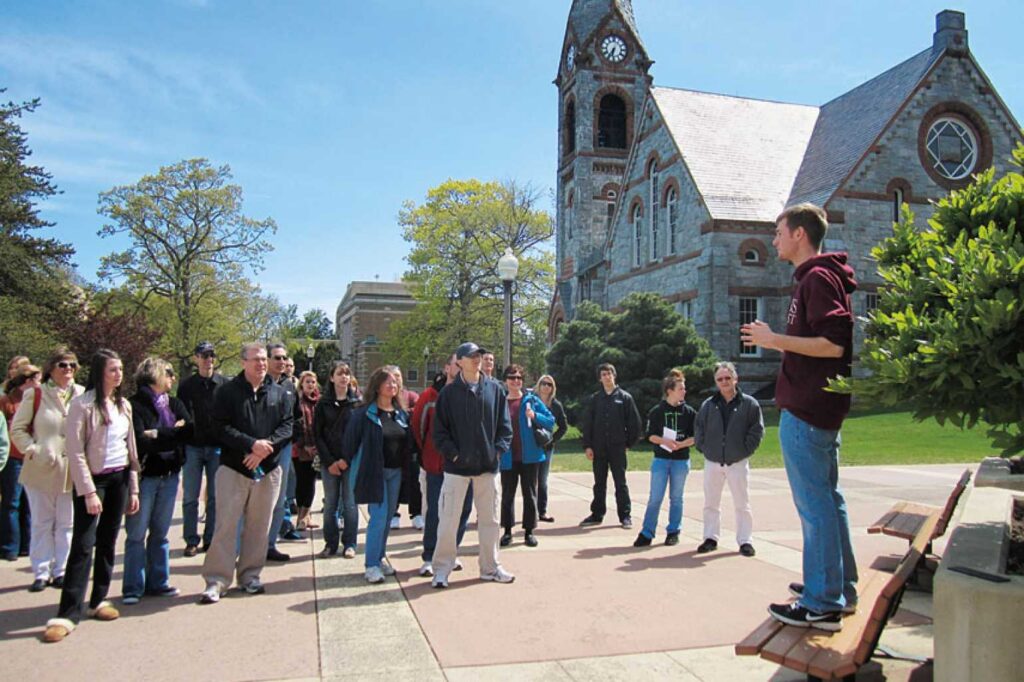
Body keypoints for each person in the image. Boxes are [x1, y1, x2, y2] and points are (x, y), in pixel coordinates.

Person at [741, 202, 858, 632]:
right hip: (815, 410)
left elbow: (833, 345)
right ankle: (838, 588)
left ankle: (823, 602)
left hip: (809, 411)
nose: (774, 240)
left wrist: (774, 341)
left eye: (778, 232)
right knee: (829, 502)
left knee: (815, 508)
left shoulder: (818, 278)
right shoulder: (815, 278)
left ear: (800, 235)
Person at [43, 349, 141, 643]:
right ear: (100, 372)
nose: (118, 374)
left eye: (121, 369)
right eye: (113, 369)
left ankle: (99, 599)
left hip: (119, 477)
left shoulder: (123, 405)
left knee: (109, 540)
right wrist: (87, 491)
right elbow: (75, 451)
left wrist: (133, 487)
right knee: (84, 544)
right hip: (93, 481)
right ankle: (68, 611)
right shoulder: (82, 405)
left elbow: (130, 448)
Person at [199, 342, 293, 604]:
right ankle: (217, 580)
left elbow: (287, 427)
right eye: (256, 360)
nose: (262, 364)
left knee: (259, 527)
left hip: (268, 469)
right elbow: (218, 427)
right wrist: (250, 445)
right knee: (226, 526)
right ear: (243, 362)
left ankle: (250, 576)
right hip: (234, 467)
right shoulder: (227, 392)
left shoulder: (280, 393)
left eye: (264, 359)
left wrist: (264, 449)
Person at [430, 342, 514, 588]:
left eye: (479, 355)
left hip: (488, 468)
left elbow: (505, 427)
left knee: (490, 520)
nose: (478, 359)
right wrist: (454, 456)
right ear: (459, 362)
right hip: (456, 470)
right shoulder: (448, 393)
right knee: (448, 520)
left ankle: (490, 567)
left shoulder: (495, 390)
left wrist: (497, 452)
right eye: (471, 356)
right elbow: (439, 433)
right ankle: (442, 569)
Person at [10, 349, 83, 592]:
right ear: (52, 367)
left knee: (66, 523)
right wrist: (33, 449)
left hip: (71, 468)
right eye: (63, 365)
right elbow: (17, 429)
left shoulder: (82, 394)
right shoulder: (37, 394)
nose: (68, 369)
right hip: (42, 467)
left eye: (72, 365)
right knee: (42, 521)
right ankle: (41, 570)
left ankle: (60, 570)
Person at [122, 357, 191, 604]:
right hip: (145, 477)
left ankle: (159, 582)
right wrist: (173, 432)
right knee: (136, 534)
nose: (173, 378)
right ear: (156, 375)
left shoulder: (174, 403)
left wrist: (159, 433)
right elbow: (140, 442)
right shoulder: (133, 405)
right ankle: (132, 587)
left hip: (170, 474)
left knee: (161, 534)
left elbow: (189, 431)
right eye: (169, 373)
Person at [341, 367, 416, 584]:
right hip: (373, 473)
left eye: (395, 383)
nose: (393, 386)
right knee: (379, 516)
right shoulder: (363, 414)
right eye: (388, 382)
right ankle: (371, 565)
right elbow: (350, 443)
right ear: (377, 386)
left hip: (396, 472)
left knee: (388, 516)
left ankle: (380, 556)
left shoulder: (401, 414)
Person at [694, 361, 765, 557]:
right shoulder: (709, 405)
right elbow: (699, 428)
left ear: (735, 379)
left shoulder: (749, 404)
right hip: (713, 461)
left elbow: (756, 431)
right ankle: (710, 537)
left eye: (728, 378)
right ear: (716, 382)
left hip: (737, 462)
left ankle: (745, 541)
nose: (724, 382)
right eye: (720, 379)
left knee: (742, 503)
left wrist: (744, 450)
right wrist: (704, 448)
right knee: (710, 503)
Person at [412, 354, 473, 577]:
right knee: (436, 512)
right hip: (437, 465)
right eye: (456, 364)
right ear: (447, 367)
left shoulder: (472, 393)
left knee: (462, 511)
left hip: (466, 466)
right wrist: (428, 455)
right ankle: (429, 556)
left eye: (463, 364)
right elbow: (418, 428)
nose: (460, 367)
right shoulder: (430, 396)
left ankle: (450, 552)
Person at [633, 373, 696, 547]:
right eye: (680, 388)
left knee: (676, 498)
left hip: (681, 461)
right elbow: (650, 436)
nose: (684, 391)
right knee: (655, 497)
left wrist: (682, 444)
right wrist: (664, 441)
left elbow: (696, 437)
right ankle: (647, 533)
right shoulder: (657, 411)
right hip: (661, 460)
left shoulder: (689, 412)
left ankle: (673, 531)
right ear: (670, 391)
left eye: (684, 388)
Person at [177, 341, 227, 557]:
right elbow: (182, 414)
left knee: (216, 497)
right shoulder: (187, 386)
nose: (208, 360)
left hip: (216, 447)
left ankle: (210, 538)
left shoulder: (224, 385)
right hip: (193, 447)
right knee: (190, 496)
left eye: (211, 355)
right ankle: (191, 539)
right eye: (204, 355)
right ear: (196, 358)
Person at [579, 363, 642, 529]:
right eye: (603, 374)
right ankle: (597, 514)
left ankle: (625, 516)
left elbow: (634, 424)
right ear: (600, 378)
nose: (607, 377)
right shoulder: (595, 399)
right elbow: (588, 424)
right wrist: (588, 446)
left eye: (609, 373)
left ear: (614, 375)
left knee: (620, 483)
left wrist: (628, 443)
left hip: (617, 448)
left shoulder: (625, 398)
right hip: (598, 448)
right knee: (599, 483)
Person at [499, 364, 555, 548]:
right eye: (512, 377)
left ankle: (529, 531)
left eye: (519, 378)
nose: (515, 381)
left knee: (530, 495)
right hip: (507, 457)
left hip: (530, 457)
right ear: (505, 380)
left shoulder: (531, 400)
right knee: (507, 496)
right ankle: (507, 531)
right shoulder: (500, 402)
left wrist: (535, 415)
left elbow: (550, 421)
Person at [314, 361, 359, 558]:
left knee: (350, 503)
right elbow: (317, 435)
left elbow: (359, 434)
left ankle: (350, 543)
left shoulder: (356, 404)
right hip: (329, 461)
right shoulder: (322, 404)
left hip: (350, 461)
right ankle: (330, 543)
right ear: (332, 377)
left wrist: (346, 459)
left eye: (347, 374)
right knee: (330, 504)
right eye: (340, 373)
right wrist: (330, 461)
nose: (343, 377)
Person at [1, 364, 42, 562]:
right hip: (13, 457)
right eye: (37, 379)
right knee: (12, 503)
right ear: (27, 381)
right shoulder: (7, 401)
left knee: (29, 503)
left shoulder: (39, 400)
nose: (41, 383)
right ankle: (10, 547)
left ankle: (27, 546)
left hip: (33, 457)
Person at [265, 343, 300, 561]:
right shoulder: (260, 385)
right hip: (262, 448)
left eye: (284, 358)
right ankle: (245, 547)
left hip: (283, 449)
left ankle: (270, 544)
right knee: (258, 500)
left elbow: (295, 417)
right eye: (277, 357)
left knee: (280, 499)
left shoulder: (288, 386)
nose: (282, 362)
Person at [384, 365, 422, 530]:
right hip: (393, 450)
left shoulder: (411, 396)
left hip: (411, 447)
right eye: (392, 377)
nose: (396, 380)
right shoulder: (385, 398)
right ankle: (393, 514)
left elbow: (418, 412)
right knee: (395, 484)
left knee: (415, 482)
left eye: (398, 376)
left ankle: (417, 514)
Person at [533, 374, 567, 523]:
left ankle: (542, 511)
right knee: (530, 480)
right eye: (544, 383)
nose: (546, 387)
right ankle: (530, 511)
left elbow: (563, 426)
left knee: (543, 480)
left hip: (546, 447)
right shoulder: (531, 401)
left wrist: (553, 440)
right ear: (539, 385)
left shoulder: (556, 405)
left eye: (550, 384)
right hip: (531, 445)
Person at [292, 370, 320, 532]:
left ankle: (305, 515)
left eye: (313, 382)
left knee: (310, 482)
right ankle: (301, 516)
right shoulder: (296, 400)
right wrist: (303, 445)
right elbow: (295, 424)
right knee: (301, 482)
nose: (310, 385)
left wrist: (317, 445)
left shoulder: (319, 402)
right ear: (301, 383)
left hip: (316, 448)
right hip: (300, 449)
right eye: (308, 381)